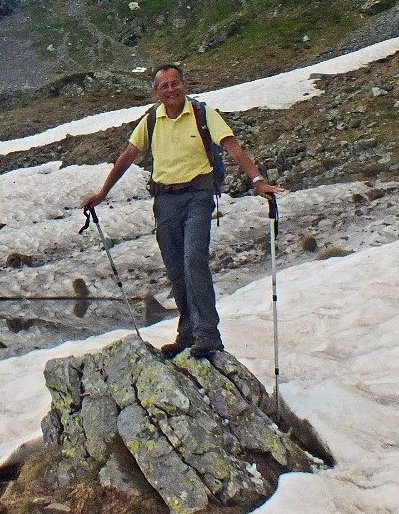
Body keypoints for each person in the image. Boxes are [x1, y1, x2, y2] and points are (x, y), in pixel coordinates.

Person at [80, 64, 284, 358]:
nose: (171, 89)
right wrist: (102, 194)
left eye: (175, 83)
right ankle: (187, 332)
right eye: (164, 86)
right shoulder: (151, 120)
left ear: (185, 85)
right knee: (176, 270)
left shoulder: (203, 114)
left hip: (198, 196)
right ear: (156, 92)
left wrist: (258, 181)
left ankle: (207, 334)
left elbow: (232, 147)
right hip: (164, 202)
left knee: (193, 261)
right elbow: (127, 157)